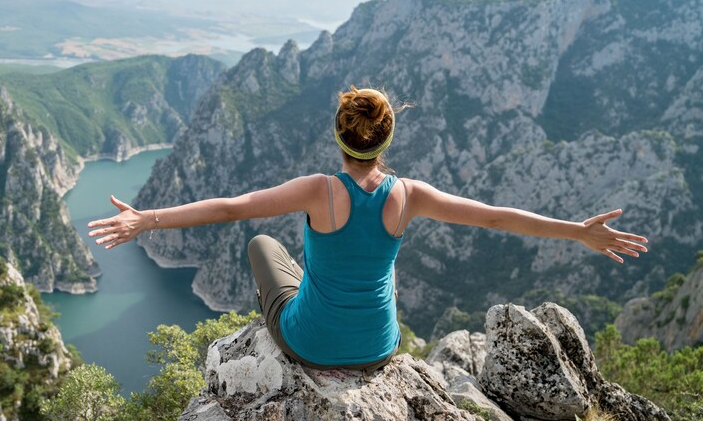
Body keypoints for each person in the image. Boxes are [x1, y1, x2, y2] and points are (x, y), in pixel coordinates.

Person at [87, 86, 648, 370]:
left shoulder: (319, 190)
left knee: (263, 243)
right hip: (381, 347)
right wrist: (578, 231)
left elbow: (234, 207)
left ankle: (301, 311)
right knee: (383, 272)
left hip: (309, 345)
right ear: (386, 141)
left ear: (339, 136)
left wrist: (147, 220)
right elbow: (496, 216)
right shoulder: (409, 196)